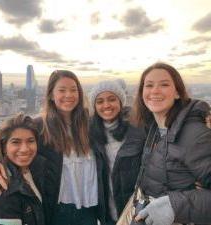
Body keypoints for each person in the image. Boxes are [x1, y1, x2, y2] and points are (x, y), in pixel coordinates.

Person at [0, 70, 99, 225]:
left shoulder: (90, 124)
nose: (69, 95)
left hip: (90, 209)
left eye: (74, 90)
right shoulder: (40, 125)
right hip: (57, 211)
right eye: (62, 90)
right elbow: (10, 144)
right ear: (51, 95)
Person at [130, 62, 211, 225]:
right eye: (149, 85)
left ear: (177, 93)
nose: (154, 91)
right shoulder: (154, 128)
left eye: (164, 84)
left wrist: (175, 206)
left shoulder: (194, 134)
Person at [89, 80, 145, 225]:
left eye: (112, 99)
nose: (106, 105)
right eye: (100, 101)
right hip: (107, 214)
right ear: (94, 107)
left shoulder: (138, 128)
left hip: (135, 212)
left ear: (121, 102)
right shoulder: (90, 132)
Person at [0, 113, 46, 225]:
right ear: (4, 146)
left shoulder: (35, 168)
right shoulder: (0, 185)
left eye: (30, 141)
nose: (24, 149)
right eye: (16, 142)